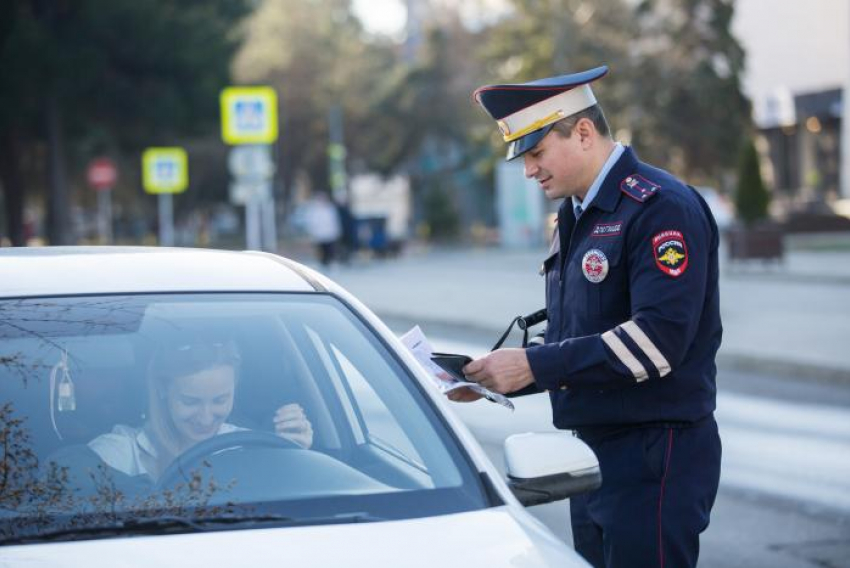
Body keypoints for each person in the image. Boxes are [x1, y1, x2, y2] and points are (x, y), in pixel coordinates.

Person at [452, 66, 722, 568]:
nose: (528, 170)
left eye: (535, 153)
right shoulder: (577, 215)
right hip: (594, 454)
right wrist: (499, 377)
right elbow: (577, 338)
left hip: (655, 454)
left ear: (582, 132)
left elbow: (656, 343)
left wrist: (536, 367)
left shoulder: (661, 208)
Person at [89, 340, 313, 481]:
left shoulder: (248, 447)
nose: (206, 418)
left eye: (220, 400)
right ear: (162, 389)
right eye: (190, 402)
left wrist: (293, 456)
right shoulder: (118, 453)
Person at [302, 191, 342, 267]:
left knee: (330, 250)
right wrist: (312, 231)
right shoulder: (314, 210)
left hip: (329, 233)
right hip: (319, 234)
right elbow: (311, 221)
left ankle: (330, 262)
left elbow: (334, 221)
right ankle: (323, 263)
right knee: (321, 250)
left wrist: (336, 231)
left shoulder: (330, 208)